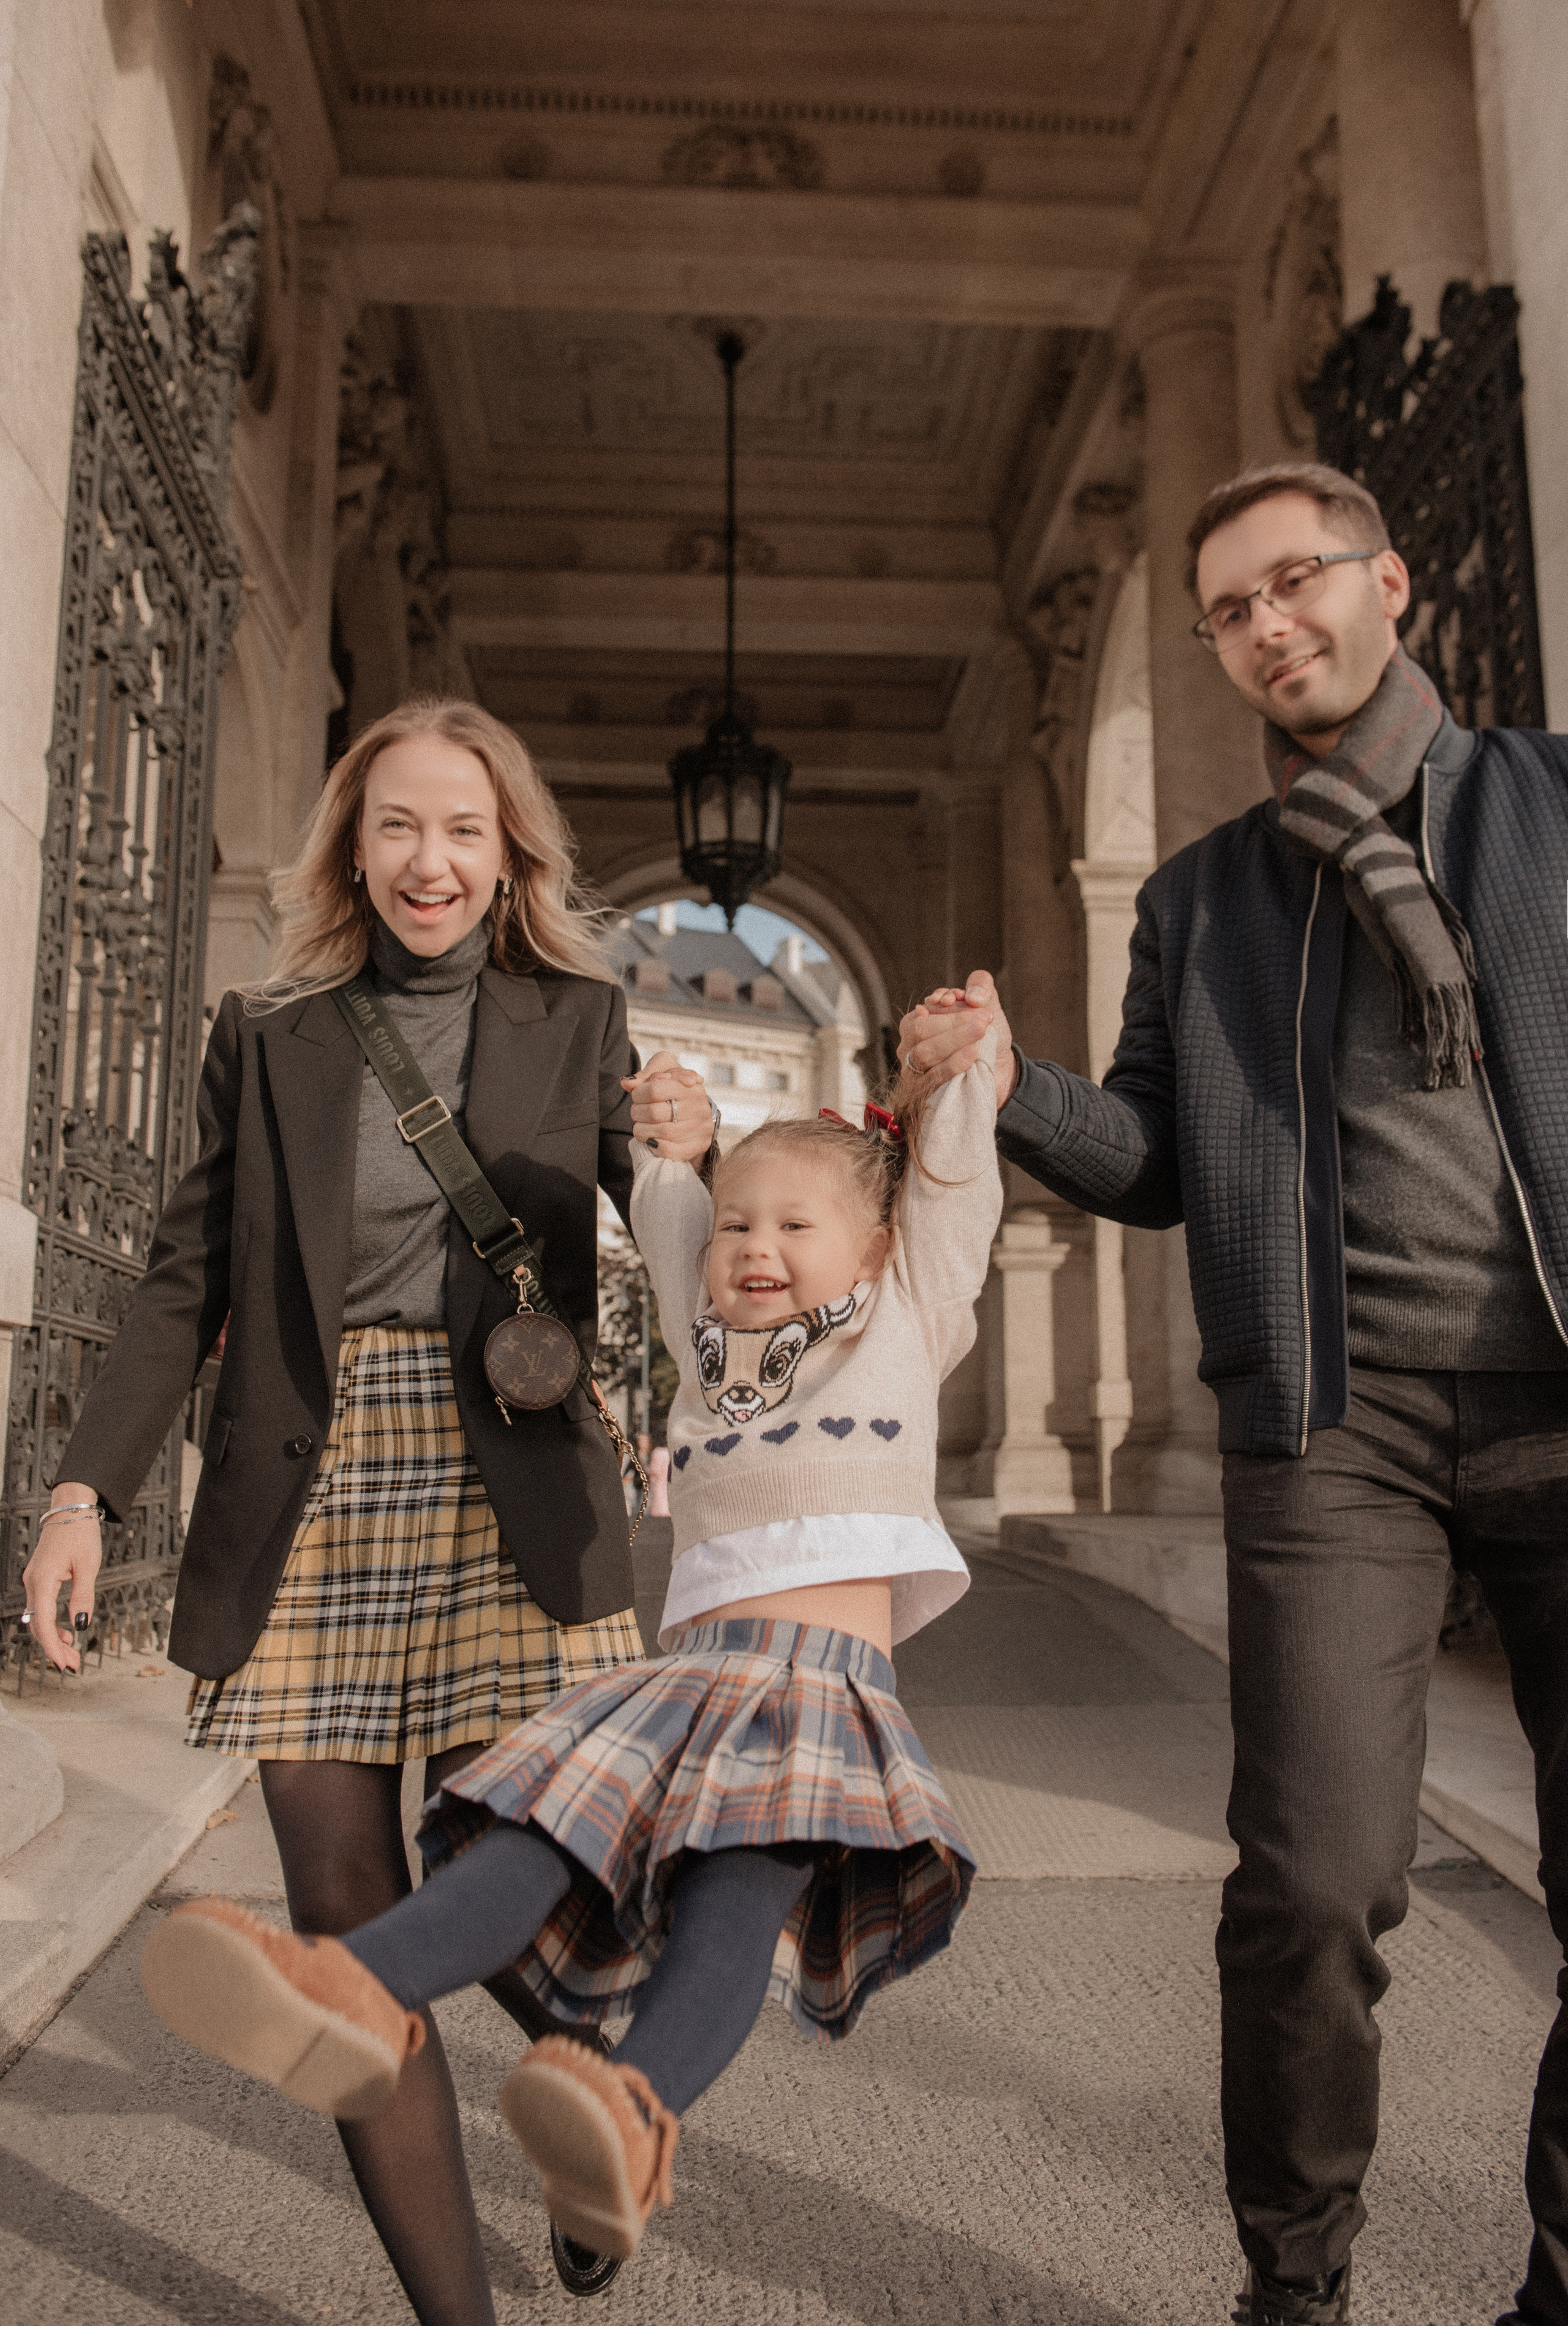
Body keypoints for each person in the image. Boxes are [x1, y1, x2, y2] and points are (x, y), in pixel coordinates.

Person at [898, 463, 1568, 2326]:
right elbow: (1157, 1163)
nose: (1269, 628)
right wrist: (1015, 1082)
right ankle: (1298, 2290)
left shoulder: (1547, 804)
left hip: (1566, 1403)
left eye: (1295, 585)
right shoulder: (1204, 900)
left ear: (1390, 584)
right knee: (1314, 1886)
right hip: (1334, 1426)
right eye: (1230, 611)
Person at [21, 696, 715, 2326]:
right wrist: (77, 1492)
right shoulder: (271, 1034)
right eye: (399, 824)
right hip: (314, 1482)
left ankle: (593, 2112)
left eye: (464, 830)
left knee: (516, 1863)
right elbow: (181, 1277)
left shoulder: (579, 1018)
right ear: (353, 843)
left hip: (514, 1478)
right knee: (345, 1923)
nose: (431, 857)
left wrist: (695, 1144)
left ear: (506, 855)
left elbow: (694, 1242)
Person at [135, 1035, 1001, 2269]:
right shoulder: (711, 1339)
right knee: (541, 1832)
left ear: (874, 1250)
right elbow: (667, 1209)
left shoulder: (905, 1321)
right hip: (688, 1682)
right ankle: (349, 1988)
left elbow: (954, 1196)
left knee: (729, 1909)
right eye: (737, 1226)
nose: (755, 1249)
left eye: (794, 1228)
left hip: (816, 1691)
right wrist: (668, 1138)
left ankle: (621, 2120)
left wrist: (962, 1077)